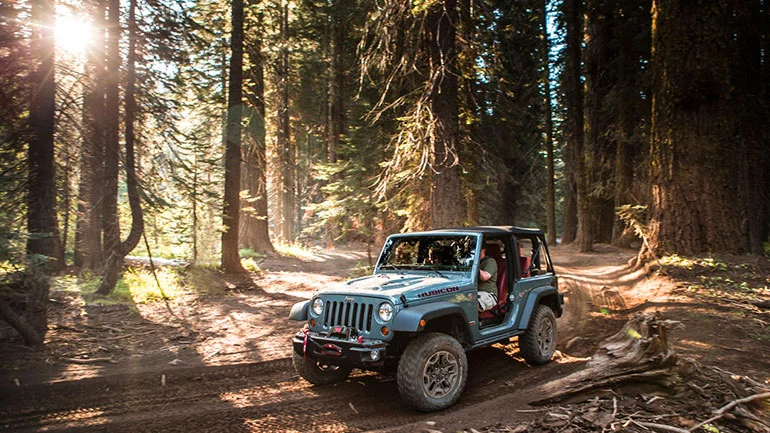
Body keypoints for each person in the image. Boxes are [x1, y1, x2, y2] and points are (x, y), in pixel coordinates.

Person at [477, 243, 499, 312]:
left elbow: (485, 277)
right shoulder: (475, 261)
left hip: (488, 295)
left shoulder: (490, 261)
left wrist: (474, 266)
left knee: (469, 301)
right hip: (474, 291)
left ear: (483, 250)